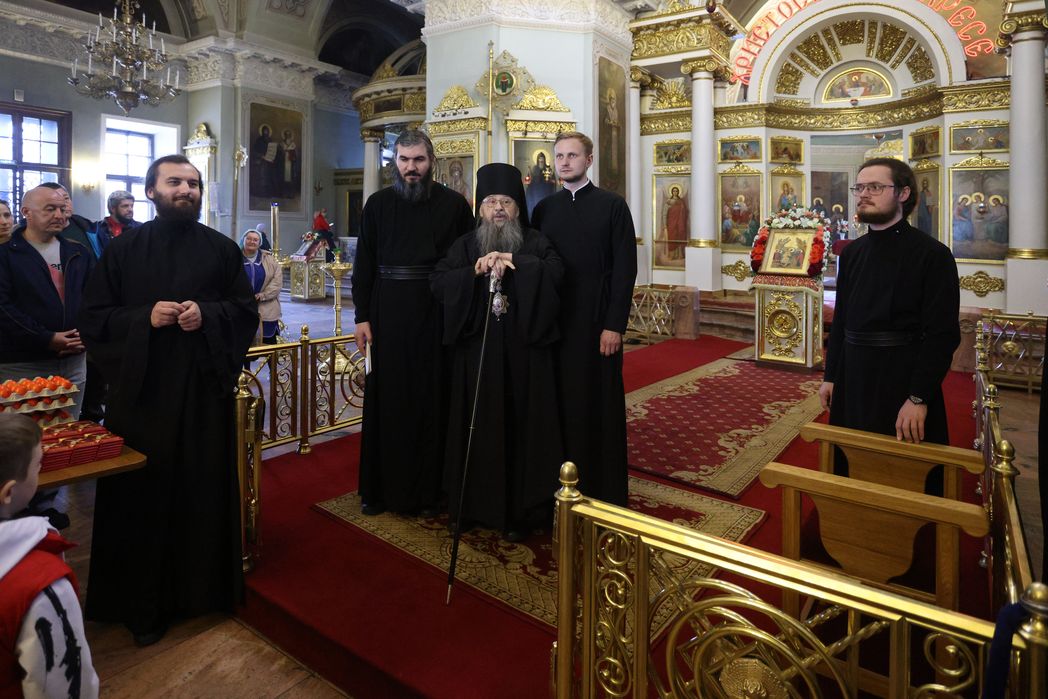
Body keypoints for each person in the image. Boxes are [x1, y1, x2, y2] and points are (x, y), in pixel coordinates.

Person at [78, 154, 258, 646]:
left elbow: (243, 312)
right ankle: (141, 604)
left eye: (193, 183)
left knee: (201, 487)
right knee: (143, 495)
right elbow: (94, 318)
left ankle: (204, 592)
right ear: (151, 191)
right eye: (175, 182)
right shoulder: (123, 249)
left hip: (203, 393)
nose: (186, 190)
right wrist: (144, 318)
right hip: (143, 397)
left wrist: (208, 315)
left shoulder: (221, 250)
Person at [432, 163, 564, 542]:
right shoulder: (466, 245)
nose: (499, 209)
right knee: (474, 427)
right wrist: (473, 272)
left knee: (521, 428)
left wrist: (518, 262)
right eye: (491, 202)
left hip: (524, 359)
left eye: (506, 201)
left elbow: (557, 274)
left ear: (518, 207)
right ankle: (471, 507)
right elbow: (438, 282)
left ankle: (522, 511)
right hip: (476, 359)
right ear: (480, 208)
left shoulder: (534, 241)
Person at [351, 130, 474, 516]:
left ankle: (430, 491)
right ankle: (379, 490)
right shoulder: (377, 204)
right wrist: (361, 316)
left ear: (431, 161)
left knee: (432, 398)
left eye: (418, 160)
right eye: (404, 160)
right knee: (387, 399)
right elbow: (364, 264)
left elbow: (466, 262)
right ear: (395, 163)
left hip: (436, 311)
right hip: (387, 312)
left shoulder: (455, 206)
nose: (411, 168)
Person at [819, 158, 960, 487]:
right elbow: (841, 323)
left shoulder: (933, 255)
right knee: (850, 470)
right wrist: (831, 376)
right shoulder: (852, 253)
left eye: (875, 187)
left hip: (901, 378)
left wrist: (918, 397)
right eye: (859, 187)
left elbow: (941, 335)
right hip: (853, 377)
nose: (863, 194)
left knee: (904, 476)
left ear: (903, 193)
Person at [531, 131, 637, 506]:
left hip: (596, 322)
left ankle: (602, 487)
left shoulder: (613, 205)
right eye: (559, 156)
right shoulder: (544, 210)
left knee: (597, 403)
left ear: (589, 160)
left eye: (572, 156)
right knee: (557, 401)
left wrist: (614, 325)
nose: (564, 162)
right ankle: (557, 481)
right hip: (556, 322)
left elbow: (625, 270)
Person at [0, 414, 99, 698]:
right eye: (38, 465)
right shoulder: (42, 586)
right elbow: (65, 685)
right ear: (9, 492)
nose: (41, 469)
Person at [0, 186, 91, 419]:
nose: (59, 215)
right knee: (21, 435)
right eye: (50, 209)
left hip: (74, 359)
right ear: (26, 212)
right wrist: (47, 338)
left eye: (62, 208)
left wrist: (86, 335)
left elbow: (95, 299)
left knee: (67, 431)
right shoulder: (6, 254)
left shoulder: (78, 252)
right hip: (23, 362)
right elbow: (3, 308)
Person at [240, 228, 282, 344]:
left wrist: (262, 295)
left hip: (266, 308)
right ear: (243, 240)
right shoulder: (234, 257)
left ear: (259, 243)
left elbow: (277, 281)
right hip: (241, 307)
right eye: (248, 239)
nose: (251, 242)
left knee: (268, 344)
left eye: (255, 240)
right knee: (242, 344)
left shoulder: (269, 259)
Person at [93, 189, 141, 256]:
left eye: (132, 206)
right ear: (113, 208)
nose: (130, 209)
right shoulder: (97, 229)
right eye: (125, 206)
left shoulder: (140, 228)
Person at [524, 151, 556, 217]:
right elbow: (529, 180)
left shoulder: (548, 169)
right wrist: (529, 179)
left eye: (542, 158)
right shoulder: (534, 168)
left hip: (546, 191)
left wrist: (551, 180)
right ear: (537, 159)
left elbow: (553, 180)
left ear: (544, 159)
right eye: (539, 158)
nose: (541, 160)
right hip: (535, 192)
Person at [663, 185, 688, 259]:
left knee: (679, 237)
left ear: (678, 192)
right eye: (674, 191)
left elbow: (685, 212)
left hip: (680, 224)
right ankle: (672, 255)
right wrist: (664, 224)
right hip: (671, 223)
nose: (675, 192)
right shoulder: (668, 202)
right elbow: (664, 214)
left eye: (676, 191)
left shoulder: (681, 202)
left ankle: (679, 255)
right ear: (671, 192)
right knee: (672, 237)